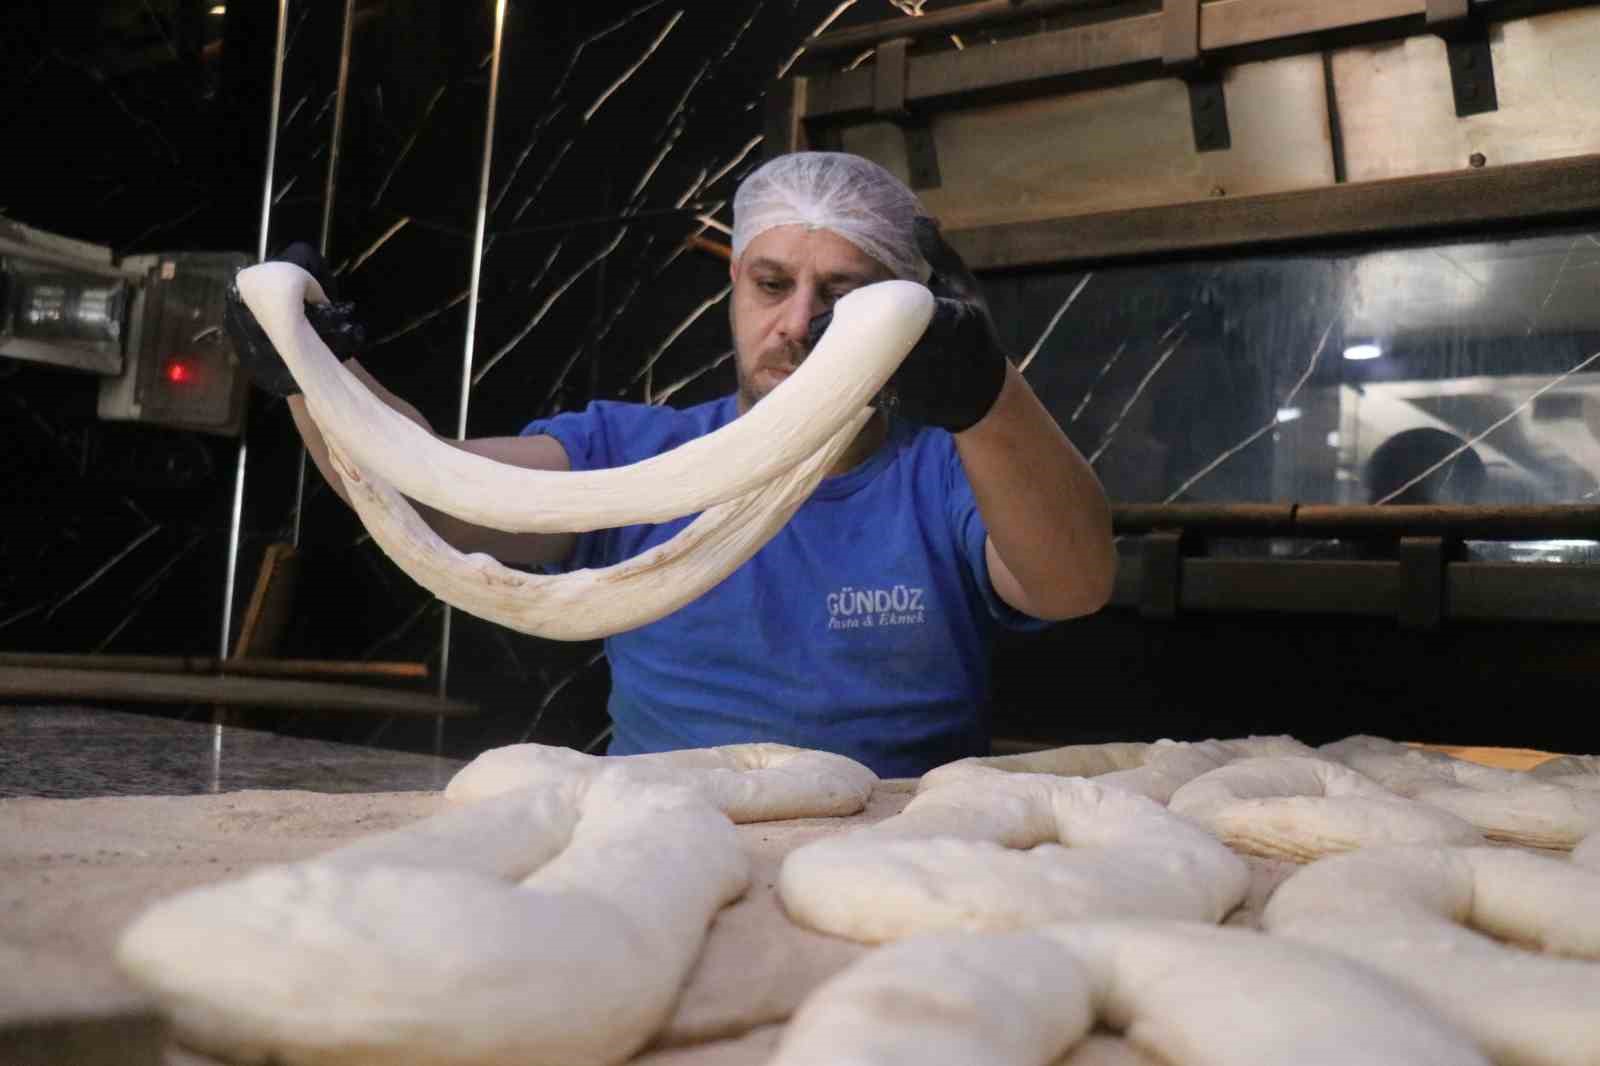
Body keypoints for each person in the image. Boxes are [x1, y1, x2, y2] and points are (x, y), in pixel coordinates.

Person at [225, 151, 1116, 778]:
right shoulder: (631, 455)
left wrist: (986, 394)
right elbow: (429, 489)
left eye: (839, 293)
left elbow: (1074, 583)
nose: (798, 324)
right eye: (772, 284)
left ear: (900, 310)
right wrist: (312, 372)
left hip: (900, 848)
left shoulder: (952, 470)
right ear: (733, 287)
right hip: (653, 841)